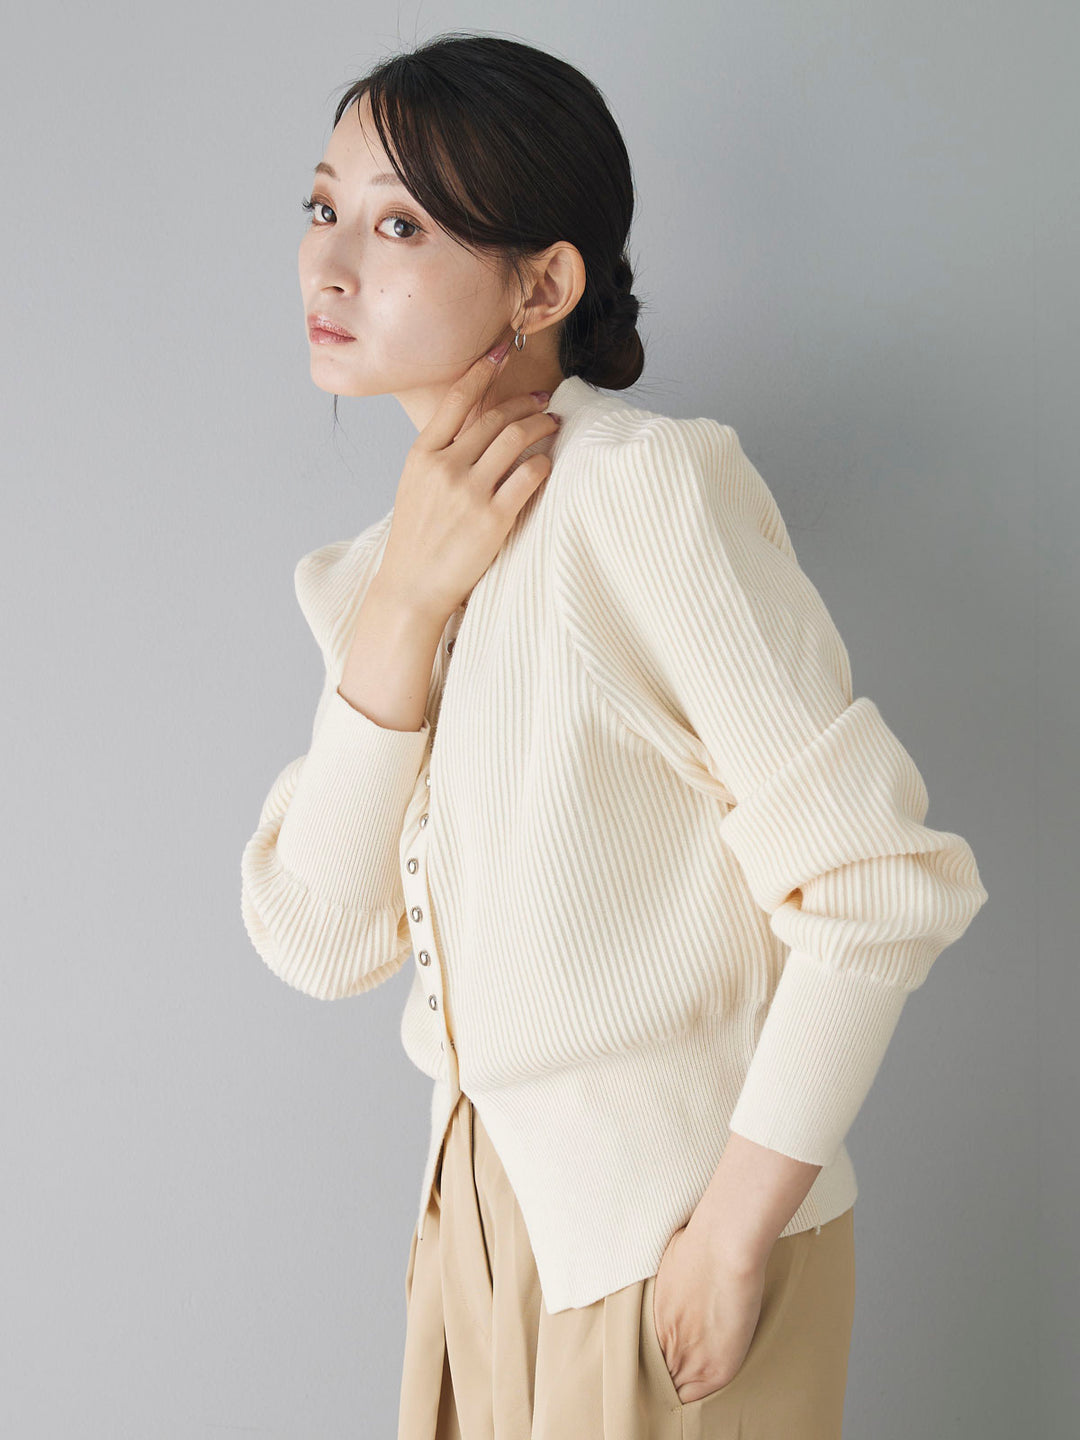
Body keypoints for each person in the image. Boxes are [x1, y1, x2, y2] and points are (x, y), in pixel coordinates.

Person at [240, 32, 990, 1440]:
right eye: (322, 207)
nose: (327, 266)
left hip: (671, 1241)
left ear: (543, 285)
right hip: (476, 1236)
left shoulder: (643, 494)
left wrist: (731, 1235)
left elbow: (880, 882)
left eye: (398, 225)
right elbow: (319, 939)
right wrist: (402, 609)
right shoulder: (380, 579)